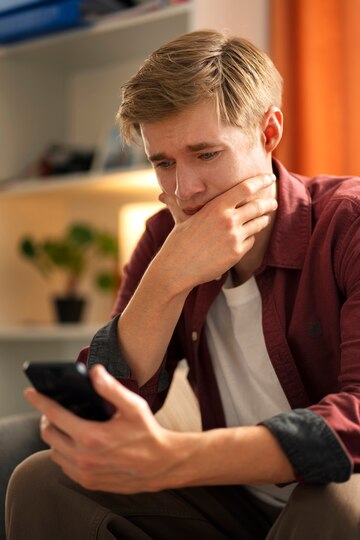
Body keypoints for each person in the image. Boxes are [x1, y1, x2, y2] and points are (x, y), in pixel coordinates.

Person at [6, 30, 360, 539]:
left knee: (335, 489)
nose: (183, 192)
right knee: (45, 480)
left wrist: (176, 459)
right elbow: (107, 413)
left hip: (331, 502)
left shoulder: (346, 223)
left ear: (268, 132)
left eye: (206, 155)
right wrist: (168, 279)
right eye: (163, 162)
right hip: (237, 507)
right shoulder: (163, 237)